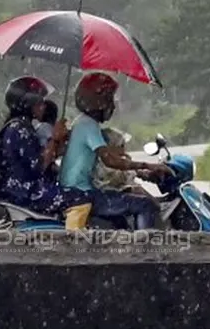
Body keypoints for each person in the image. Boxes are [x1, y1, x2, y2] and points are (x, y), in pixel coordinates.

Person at [58, 72, 171, 230]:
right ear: (99, 101)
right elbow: (110, 161)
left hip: (76, 192)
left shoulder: (83, 123)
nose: (112, 105)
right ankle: (146, 248)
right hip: (81, 195)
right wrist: (149, 165)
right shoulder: (88, 125)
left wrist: (141, 171)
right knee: (145, 205)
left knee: (121, 218)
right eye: (109, 99)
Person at [0, 76, 92, 229]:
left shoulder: (21, 126)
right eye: (39, 102)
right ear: (28, 104)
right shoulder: (19, 129)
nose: (43, 107)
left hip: (23, 189)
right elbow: (39, 166)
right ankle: (74, 243)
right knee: (82, 199)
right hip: (28, 193)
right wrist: (54, 138)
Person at [93, 127, 159, 203]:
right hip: (107, 195)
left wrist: (142, 172)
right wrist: (136, 170)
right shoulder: (105, 163)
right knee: (138, 191)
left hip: (113, 192)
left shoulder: (114, 160)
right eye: (121, 146)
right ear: (111, 147)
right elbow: (120, 177)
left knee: (138, 189)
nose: (124, 149)